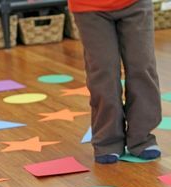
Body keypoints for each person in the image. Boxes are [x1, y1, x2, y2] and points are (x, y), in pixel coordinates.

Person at [69, 0, 162, 163]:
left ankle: (142, 137)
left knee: (142, 66)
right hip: (89, 7)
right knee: (103, 72)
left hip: (135, 4)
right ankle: (107, 141)